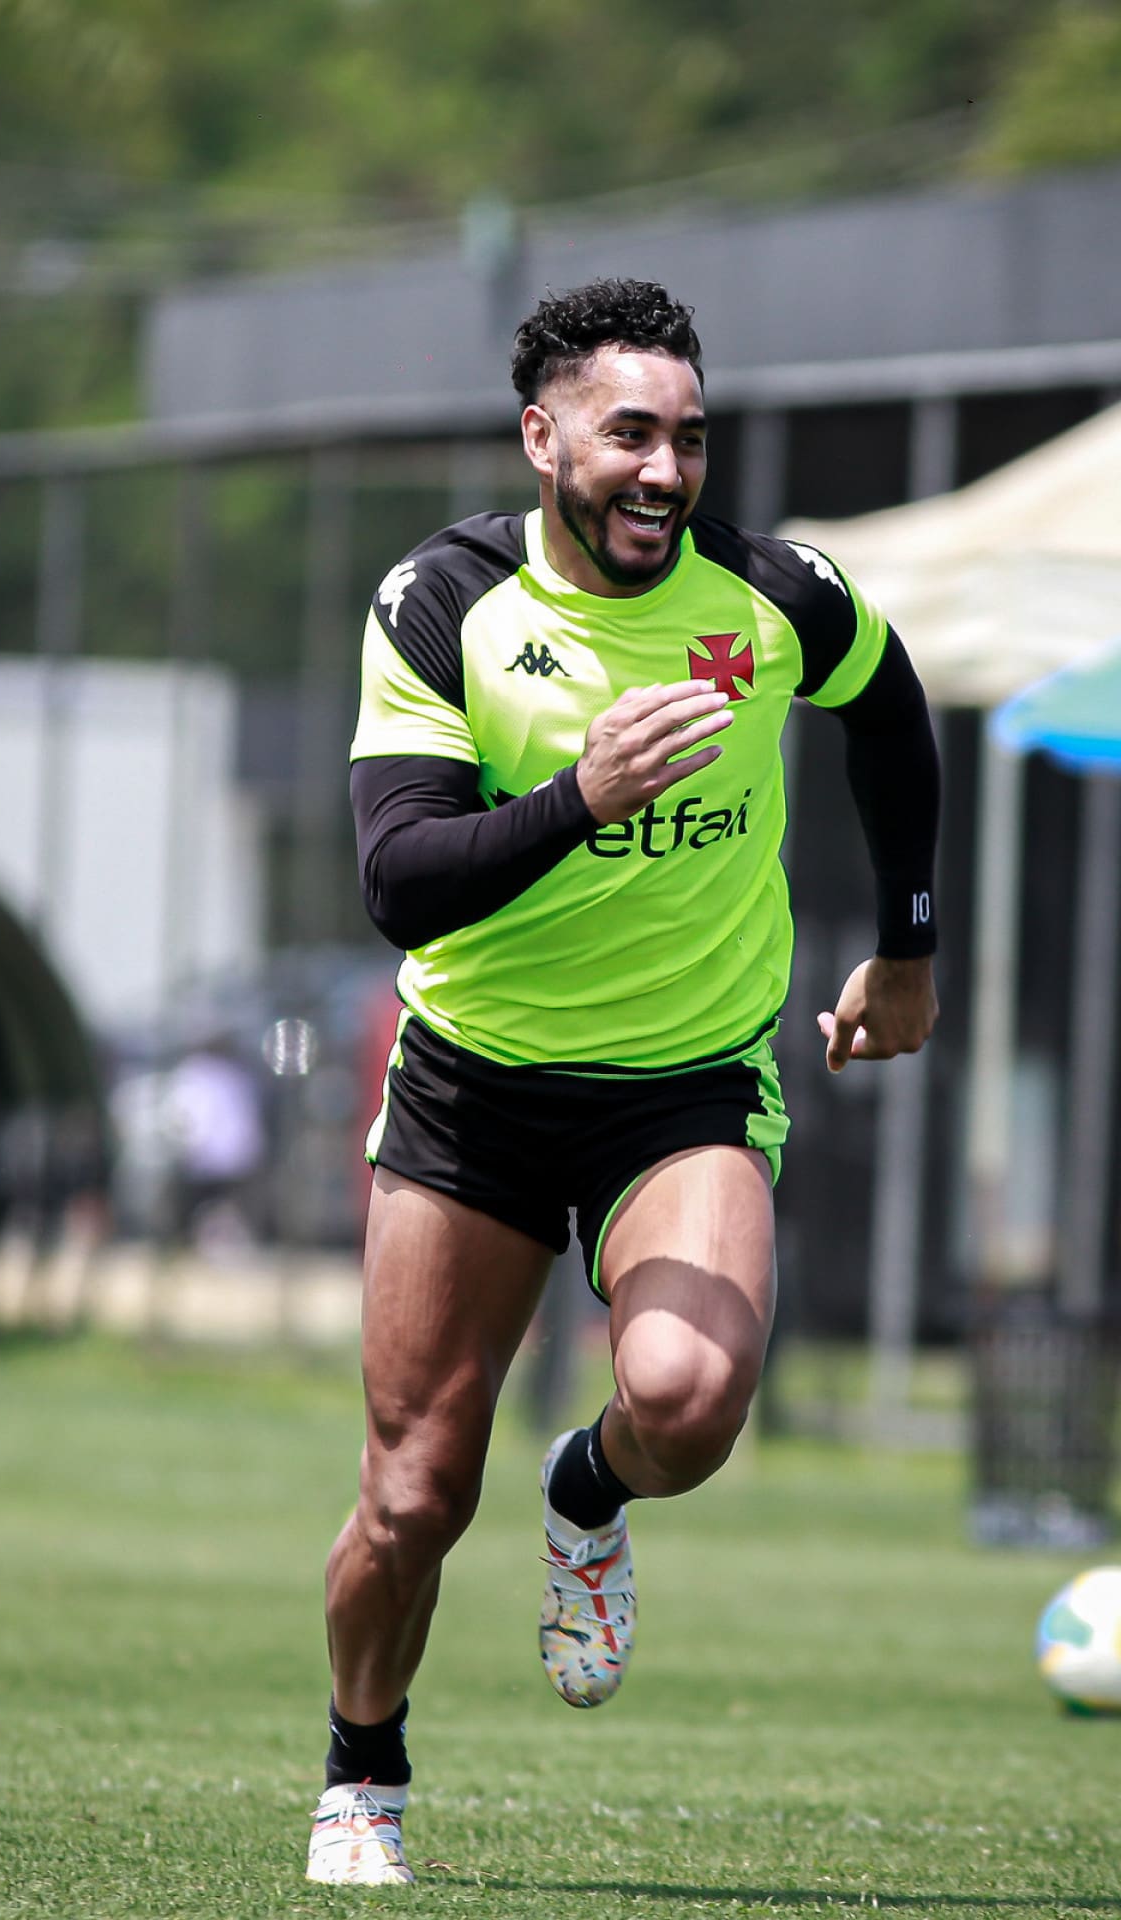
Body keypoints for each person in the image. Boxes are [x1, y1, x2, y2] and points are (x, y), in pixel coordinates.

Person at [306, 278, 939, 1886]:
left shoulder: (776, 594)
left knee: (689, 1400)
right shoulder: (441, 604)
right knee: (409, 1495)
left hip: (687, 1085)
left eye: (692, 441)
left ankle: (587, 1491)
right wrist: (582, 797)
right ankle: (361, 1770)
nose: (665, 472)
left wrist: (913, 944)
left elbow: (892, 710)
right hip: (476, 1087)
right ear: (544, 439)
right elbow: (402, 882)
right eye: (631, 434)